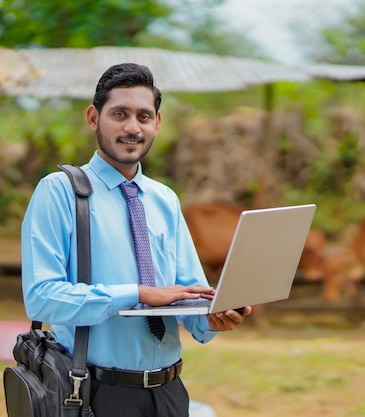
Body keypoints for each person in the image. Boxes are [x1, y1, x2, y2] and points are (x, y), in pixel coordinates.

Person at [21, 62, 252, 417]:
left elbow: (190, 299)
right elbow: (41, 298)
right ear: (93, 117)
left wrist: (213, 316)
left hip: (171, 393)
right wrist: (138, 293)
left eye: (144, 116)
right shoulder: (60, 193)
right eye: (120, 114)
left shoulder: (165, 199)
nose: (132, 127)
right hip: (97, 394)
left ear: (157, 123)